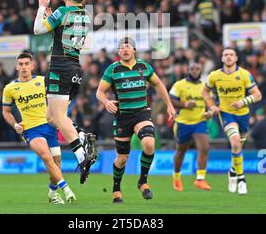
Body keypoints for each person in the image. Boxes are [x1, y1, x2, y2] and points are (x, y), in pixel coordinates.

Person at [96, 37, 175, 203]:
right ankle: (116, 189)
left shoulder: (144, 67)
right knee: (122, 158)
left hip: (141, 114)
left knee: (149, 143)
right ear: (118, 52)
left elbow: (159, 85)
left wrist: (169, 104)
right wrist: (106, 102)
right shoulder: (113, 69)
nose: (125, 49)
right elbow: (100, 92)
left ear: (134, 50)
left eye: (128, 47)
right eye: (122, 47)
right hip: (122, 117)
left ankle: (143, 181)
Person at [33, 0, 95, 184]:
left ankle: (80, 155)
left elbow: (38, 30)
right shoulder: (85, 15)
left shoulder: (62, 11)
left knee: (58, 117)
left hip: (60, 67)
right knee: (51, 117)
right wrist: (53, 18)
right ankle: (82, 136)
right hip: (76, 69)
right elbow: (63, 31)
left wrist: (42, 7)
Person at [2, 52, 76, 204]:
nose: (23, 67)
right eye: (20, 64)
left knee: (56, 165)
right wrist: (15, 124)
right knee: (46, 156)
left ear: (32, 66)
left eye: (26, 64)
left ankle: (52, 193)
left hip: (49, 126)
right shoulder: (10, 88)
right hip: (30, 129)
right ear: (17, 67)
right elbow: (6, 112)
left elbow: (58, 99)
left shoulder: (43, 81)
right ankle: (66, 189)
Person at [202, 47, 262, 195]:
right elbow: (204, 91)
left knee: (237, 148)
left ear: (235, 58)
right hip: (226, 113)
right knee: (235, 142)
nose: (228, 57)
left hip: (243, 114)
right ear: (222, 58)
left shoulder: (244, 74)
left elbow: (257, 95)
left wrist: (242, 102)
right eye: (225, 54)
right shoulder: (214, 76)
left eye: (231, 54)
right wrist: (212, 106)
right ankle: (241, 179)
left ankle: (232, 171)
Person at [169, 63, 212, 192]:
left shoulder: (205, 86)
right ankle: (176, 176)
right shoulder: (179, 84)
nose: (194, 71)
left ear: (201, 70)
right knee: (181, 150)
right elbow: (170, 100)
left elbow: (210, 103)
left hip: (200, 121)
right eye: (192, 69)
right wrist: (184, 104)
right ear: (188, 70)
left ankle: (200, 179)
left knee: (204, 147)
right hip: (183, 122)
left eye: (197, 68)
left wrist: (210, 111)